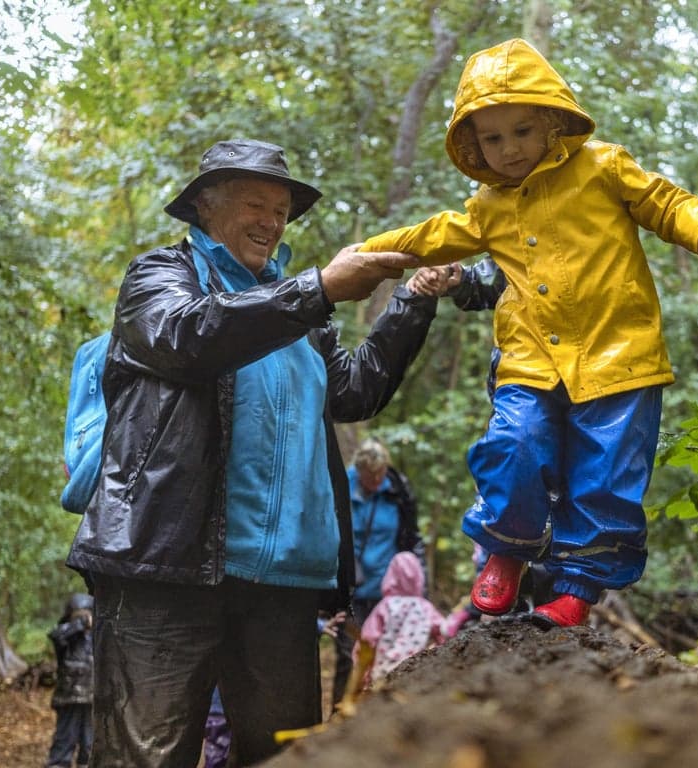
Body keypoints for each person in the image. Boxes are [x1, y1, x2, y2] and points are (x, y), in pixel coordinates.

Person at [361, 39, 698, 629]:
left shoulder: (603, 165)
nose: (509, 148)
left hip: (620, 354)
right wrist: (366, 254)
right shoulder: (487, 205)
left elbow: (665, 202)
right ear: (473, 146)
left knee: (606, 477)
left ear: (551, 122)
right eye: (492, 139)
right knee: (514, 445)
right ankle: (505, 548)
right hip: (530, 357)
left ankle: (577, 589)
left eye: (522, 130)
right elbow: (432, 234)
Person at [64, 138, 434, 767]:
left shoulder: (299, 309)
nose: (271, 222)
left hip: (283, 584)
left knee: (281, 756)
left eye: (281, 211)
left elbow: (353, 393)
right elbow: (189, 337)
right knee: (145, 756)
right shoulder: (159, 278)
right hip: (165, 566)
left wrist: (414, 299)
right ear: (205, 207)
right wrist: (316, 289)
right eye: (255, 204)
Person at [332, 437, 423, 707]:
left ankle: (377, 711)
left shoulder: (397, 491)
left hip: (388, 594)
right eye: (369, 475)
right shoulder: (341, 487)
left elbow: (412, 539)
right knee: (350, 655)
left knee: (388, 654)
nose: (376, 479)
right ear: (358, 471)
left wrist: (420, 591)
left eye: (380, 473)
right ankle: (341, 712)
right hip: (351, 591)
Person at [354, 551, 450, 686]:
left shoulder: (385, 606)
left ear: (391, 575)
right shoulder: (425, 607)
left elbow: (367, 640)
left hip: (383, 672)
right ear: (419, 575)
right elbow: (444, 631)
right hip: (416, 671)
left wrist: (362, 674)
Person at [45, 593, 94, 768]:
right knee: (63, 745)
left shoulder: (98, 636)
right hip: (69, 698)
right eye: (79, 613)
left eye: (86, 613)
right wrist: (80, 623)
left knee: (90, 748)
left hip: (93, 700)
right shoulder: (66, 635)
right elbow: (56, 635)